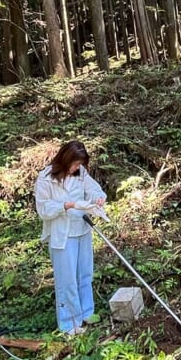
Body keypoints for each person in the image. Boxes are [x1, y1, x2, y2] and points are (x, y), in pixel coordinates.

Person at [34, 141, 108, 336]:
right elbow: (43, 209)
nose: (77, 167)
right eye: (75, 164)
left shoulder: (81, 173)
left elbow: (93, 190)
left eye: (80, 164)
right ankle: (70, 323)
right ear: (65, 159)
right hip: (62, 235)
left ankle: (86, 313)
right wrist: (64, 206)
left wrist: (98, 198)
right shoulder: (46, 178)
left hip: (82, 229)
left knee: (84, 273)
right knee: (67, 279)